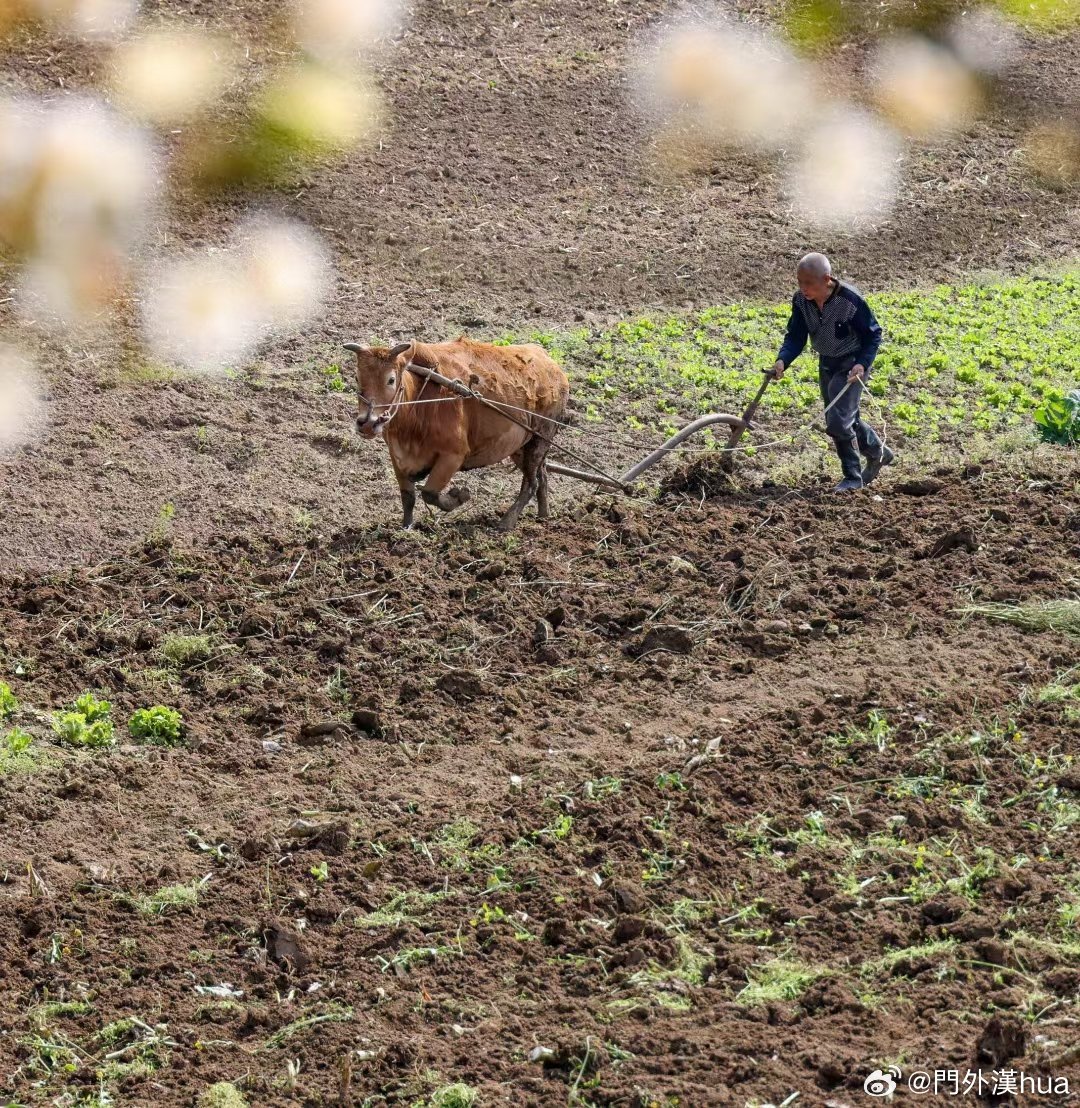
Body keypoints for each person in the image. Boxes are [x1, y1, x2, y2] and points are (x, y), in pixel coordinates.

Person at [772, 252, 894, 491]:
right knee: (844, 418)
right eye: (800, 282)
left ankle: (852, 478)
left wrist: (862, 363)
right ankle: (879, 453)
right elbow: (796, 336)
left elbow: (873, 334)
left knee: (839, 422)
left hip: (852, 365)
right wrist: (782, 361)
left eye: (809, 283)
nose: (803, 288)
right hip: (827, 361)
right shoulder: (800, 302)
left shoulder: (850, 301)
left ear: (826, 279)